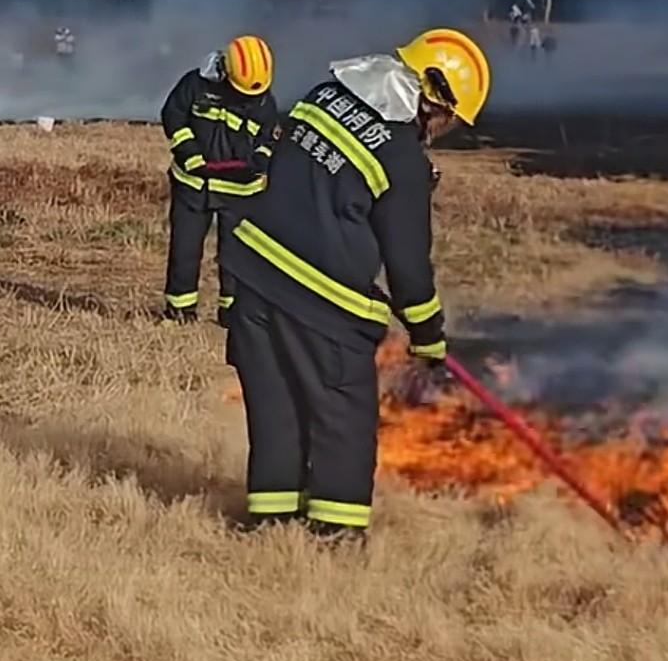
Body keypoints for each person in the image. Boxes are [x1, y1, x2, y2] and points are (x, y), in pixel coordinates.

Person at [223, 27, 491, 541]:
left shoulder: (323, 95)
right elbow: (408, 264)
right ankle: (336, 537)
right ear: (435, 101)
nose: (446, 130)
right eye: (451, 120)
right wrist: (428, 336)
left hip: (253, 274)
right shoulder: (403, 159)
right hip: (322, 303)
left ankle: (272, 529)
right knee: (341, 417)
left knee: (276, 408)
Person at [160, 35, 279, 325]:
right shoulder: (196, 85)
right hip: (194, 185)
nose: (248, 100)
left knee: (237, 255)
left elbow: (268, 139)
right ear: (225, 72)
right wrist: (189, 154)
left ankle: (233, 315)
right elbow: (173, 117)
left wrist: (261, 162)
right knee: (185, 250)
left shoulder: (263, 100)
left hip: (240, 191)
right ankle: (179, 312)